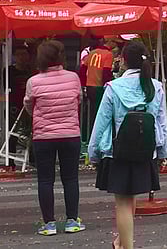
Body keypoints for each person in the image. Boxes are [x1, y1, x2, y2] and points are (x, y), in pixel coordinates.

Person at [89, 40, 167, 249]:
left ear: (123, 61)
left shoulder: (113, 88)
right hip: (146, 150)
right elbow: (162, 123)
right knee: (131, 196)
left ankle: (127, 247)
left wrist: (93, 153)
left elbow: (101, 123)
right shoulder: (156, 87)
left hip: (118, 151)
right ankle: (120, 243)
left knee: (123, 202)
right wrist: (163, 153)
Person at [23, 40, 84, 236]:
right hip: (70, 134)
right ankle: (72, 220)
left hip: (44, 135)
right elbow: (78, 100)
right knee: (71, 178)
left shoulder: (33, 81)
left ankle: (49, 223)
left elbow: (29, 106)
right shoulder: (73, 78)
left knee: (45, 180)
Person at [79, 36, 114, 142]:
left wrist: (83, 85)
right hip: (100, 87)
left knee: (91, 112)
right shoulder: (108, 54)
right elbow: (106, 73)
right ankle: (100, 138)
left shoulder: (91, 53)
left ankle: (88, 136)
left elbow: (82, 71)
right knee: (102, 114)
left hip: (90, 87)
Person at [8, 45, 34, 156]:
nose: (22, 57)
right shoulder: (9, 71)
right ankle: (11, 160)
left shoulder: (32, 71)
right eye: (19, 55)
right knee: (12, 133)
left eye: (24, 54)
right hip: (15, 105)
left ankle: (33, 157)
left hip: (30, 105)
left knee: (33, 131)